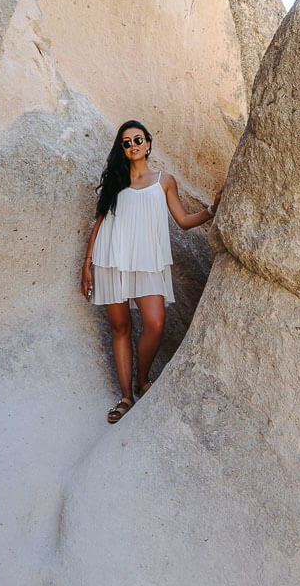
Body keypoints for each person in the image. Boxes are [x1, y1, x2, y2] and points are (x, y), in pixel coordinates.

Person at [81, 120, 221, 423]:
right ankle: (125, 397)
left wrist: (212, 209)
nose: (132, 146)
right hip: (110, 259)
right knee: (120, 328)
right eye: (126, 142)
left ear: (148, 144)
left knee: (155, 323)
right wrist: (87, 266)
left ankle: (142, 380)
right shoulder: (116, 183)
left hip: (148, 260)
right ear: (122, 149)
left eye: (137, 140)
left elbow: (182, 220)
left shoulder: (164, 180)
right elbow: (99, 223)